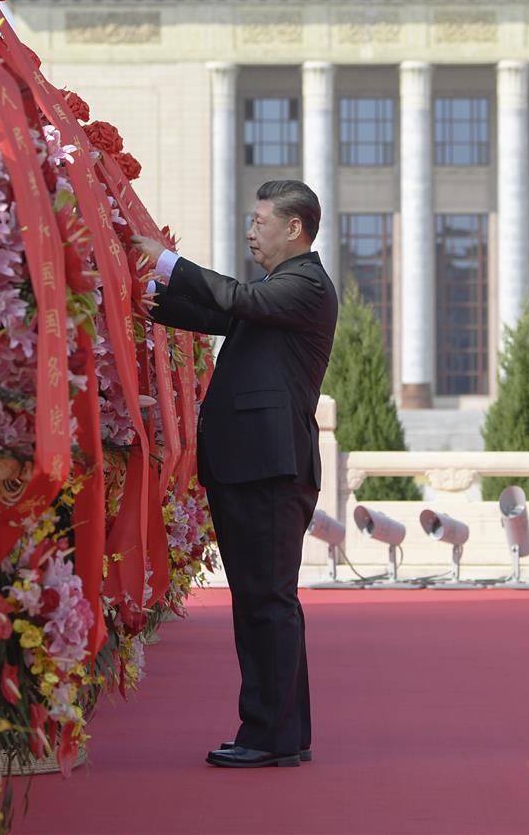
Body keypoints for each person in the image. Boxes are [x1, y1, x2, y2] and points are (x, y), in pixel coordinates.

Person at [131, 179, 338, 769]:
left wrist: (167, 262)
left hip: (268, 469)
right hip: (253, 466)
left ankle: (269, 734)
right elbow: (218, 312)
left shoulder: (303, 285)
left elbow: (235, 299)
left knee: (266, 602)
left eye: (260, 220)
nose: (251, 231)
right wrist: (146, 295)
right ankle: (281, 732)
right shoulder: (278, 291)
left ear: (293, 229)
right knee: (263, 602)